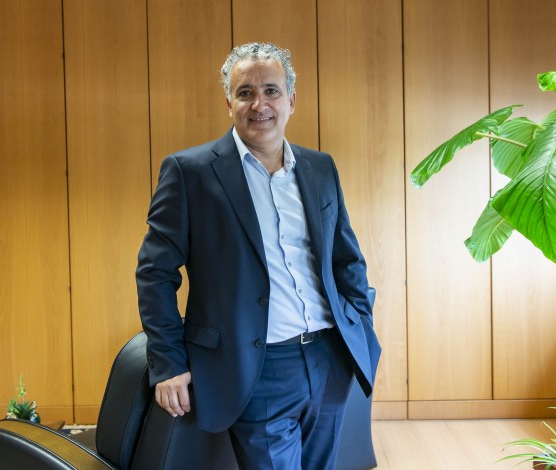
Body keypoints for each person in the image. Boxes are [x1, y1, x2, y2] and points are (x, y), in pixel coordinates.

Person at [136, 42, 381, 469]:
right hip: (255, 366)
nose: (259, 104)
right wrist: (169, 363)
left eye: (271, 91)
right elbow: (155, 273)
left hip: (330, 356)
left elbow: (347, 258)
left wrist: (359, 322)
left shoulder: (320, 167)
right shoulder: (190, 172)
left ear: (292, 100)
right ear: (228, 102)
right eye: (245, 92)